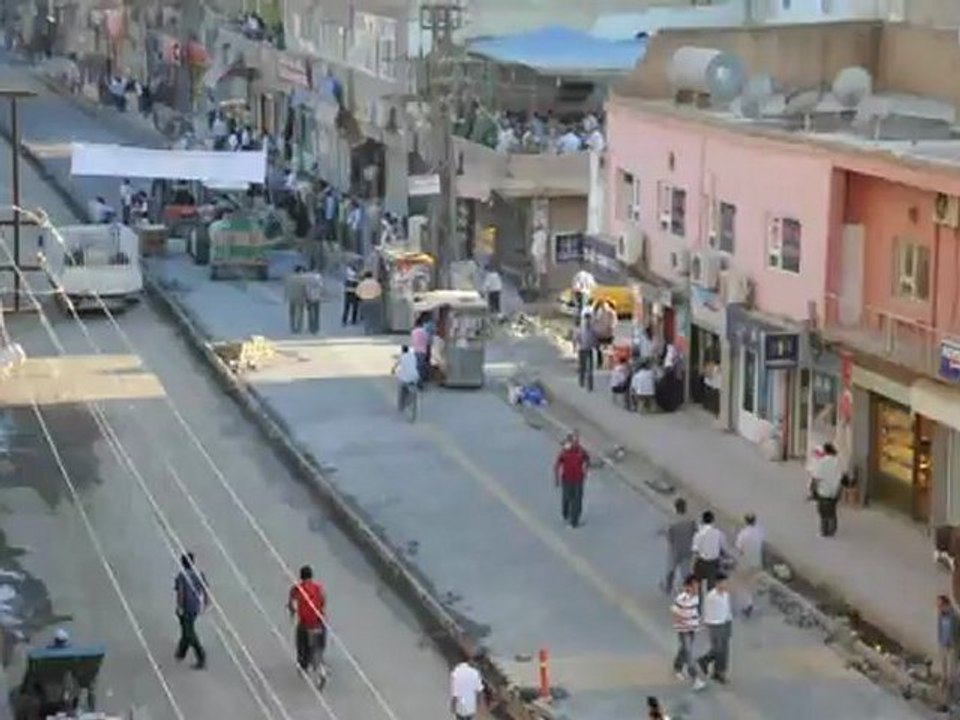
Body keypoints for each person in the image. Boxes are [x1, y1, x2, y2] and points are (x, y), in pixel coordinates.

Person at [287, 565, 326, 673]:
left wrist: (292, 612)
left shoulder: (297, 588)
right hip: (318, 622)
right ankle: (320, 667)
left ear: (301, 576)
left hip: (305, 624)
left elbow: (291, 602)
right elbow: (322, 602)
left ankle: (303, 665)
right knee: (318, 646)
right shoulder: (318, 588)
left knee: (301, 644)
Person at [671, 575, 705, 691]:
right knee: (689, 653)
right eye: (695, 586)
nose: (697, 588)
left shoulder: (696, 598)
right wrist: (680, 619)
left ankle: (677, 667)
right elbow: (675, 611)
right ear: (689, 586)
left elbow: (695, 612)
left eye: (698, 586)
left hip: (692, 629)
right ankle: (695, 678)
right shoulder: (682, 598)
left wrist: (698, 622)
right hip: (683, 630)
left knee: (684, 649)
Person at [174, 553, 208, 669]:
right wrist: (206, 603)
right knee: (186, 628)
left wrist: (179, 607)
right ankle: (181, 652)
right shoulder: (199, 574)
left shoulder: (182, 576)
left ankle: (201, 656)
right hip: (195, 606)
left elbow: (181, 592)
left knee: (189, 632)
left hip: (186, 606)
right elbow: (204, 589)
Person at [698, 574, 733, 684]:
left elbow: (727, 608)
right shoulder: (711, 597)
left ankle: (718, 671)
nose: (725, 585)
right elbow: (706, 611)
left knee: (724, 649)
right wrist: (706, 624)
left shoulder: (726, 594)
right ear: (717, 583)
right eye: (723, 583)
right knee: (718, 649)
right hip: (715, 624)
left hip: (726, 622)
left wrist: (729, 620)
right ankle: (707, 662)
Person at [554, 431, 590, 528]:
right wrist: (557, 479)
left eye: (577, 441)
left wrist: (586, 470)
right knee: (568, 498)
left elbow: (587, 460)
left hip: (578, 479)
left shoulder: (580, 451)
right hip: (567, 479)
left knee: (577, 500)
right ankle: (567, 515)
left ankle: (574, 520)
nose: (576, 443)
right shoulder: (565, 453)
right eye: (574, 441)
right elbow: (557, 465)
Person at [662, 498, 697, 596]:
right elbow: (695, 532)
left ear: (676, 508)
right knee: (686, 572)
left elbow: (670, 537)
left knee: (671, 569)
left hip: (675, 550)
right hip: (687, 549)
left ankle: (668, 588)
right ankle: (688, 590)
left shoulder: (672, 521)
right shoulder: (691, 520)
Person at [733, 513, 764, 617]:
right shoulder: (759, 532)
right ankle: (752, 602)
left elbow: (739, 547)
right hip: (757, 561)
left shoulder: (743, 534)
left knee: (743, 584)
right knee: (752, 582)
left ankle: (748, 605)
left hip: (745, 562)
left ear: (746, 521)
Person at [810, 442, 844, 537]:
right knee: (832, 510)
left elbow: (816, 477)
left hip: (823, 490)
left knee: (823, 512)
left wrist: (813, 489)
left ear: (825, 451)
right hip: (835, 490)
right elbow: (841, 476)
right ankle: (832, 530)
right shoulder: (838, 461)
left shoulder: (822, 462)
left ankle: (824, 531)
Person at [692, 510, 725, 601]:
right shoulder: (718, 533)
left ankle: (698, 604)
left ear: (703, 520)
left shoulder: (699, 533)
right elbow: (722, 547)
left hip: (702, 562)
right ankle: (711, 608)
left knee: (697, 583)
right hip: (713, 563)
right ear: (713, 520)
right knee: (711, 587)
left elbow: (695, 550)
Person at [938, 594, 960, 710]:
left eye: (941, 605)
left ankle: (951, 702)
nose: (939, 607)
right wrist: (941, 642)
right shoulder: (941, 616)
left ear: (947, 604)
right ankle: (944, 702)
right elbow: (940, 630)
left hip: (953, 648)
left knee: (952, 676)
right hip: (944, 647)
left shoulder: (955, 617)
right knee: (944, 676)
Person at [450, 654, 485, 720]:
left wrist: (453, 704)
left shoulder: (457, 670)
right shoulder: (475, 674)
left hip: (459, 706)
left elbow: (455, 692)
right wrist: (481, 706)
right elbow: (480, 692)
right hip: (470, 707)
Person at [393, 345, 420, 412]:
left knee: (401, 389)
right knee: (413, 383)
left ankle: (401, 405)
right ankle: (412, 397)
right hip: (415, 376)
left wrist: (393, 370)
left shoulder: (402, 357)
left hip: (405, 377)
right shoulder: (413, 356)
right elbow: (415, 365)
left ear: (402, 351)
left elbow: (396, 365)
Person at [592, 301, 617, 368]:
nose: (603, 308)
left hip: (606, 333)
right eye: (602, 307)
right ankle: (604, 363)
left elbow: (613, 322)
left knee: (607, 349)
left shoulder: (610, 313)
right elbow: (594, 322)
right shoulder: (599, 313)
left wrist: (611, 327)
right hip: (602, 334)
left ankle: (607, 364)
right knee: (603, 349)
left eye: (604, 306)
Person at [575, 313, 596, 392]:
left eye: (589, 319)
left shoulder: (592, 329)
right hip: (582, 350)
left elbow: (595, 339)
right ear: (584, 320)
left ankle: (590, 386)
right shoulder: (580, 329)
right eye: (587, 319)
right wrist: (576, 346)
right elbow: (576, 338)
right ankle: (581, 381)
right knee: (582, 367)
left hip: (589, 350)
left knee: (590, 368)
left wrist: (595, 345)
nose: (588, 321)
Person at [285, 266, 307, 334]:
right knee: (300, 313)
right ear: (300, 271)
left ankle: (292, 327)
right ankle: (299, 328)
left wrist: (286, 297)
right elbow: (305, 289)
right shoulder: (303, 279)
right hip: (300, 298)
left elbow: (287, 288)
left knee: (292, 313)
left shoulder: (290, 278)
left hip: (292, 297)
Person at [411, 318, 430, 387]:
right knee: (421, 367)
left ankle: (416, 380)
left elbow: (413, 341)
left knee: (416, 366)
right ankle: (420, 381)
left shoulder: (414, 331)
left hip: (416, 350)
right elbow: (427, 340)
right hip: (423, 351)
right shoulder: (424, 331)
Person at [304, 269, 324, 335]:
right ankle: (316, 328)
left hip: (309, 297)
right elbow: (321, 287)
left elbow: (306, 288)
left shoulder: (306, 277)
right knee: (316, 314)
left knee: (310, 314)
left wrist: (306, 297)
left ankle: (310, 328)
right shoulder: (318, 276)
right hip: (317, 297)